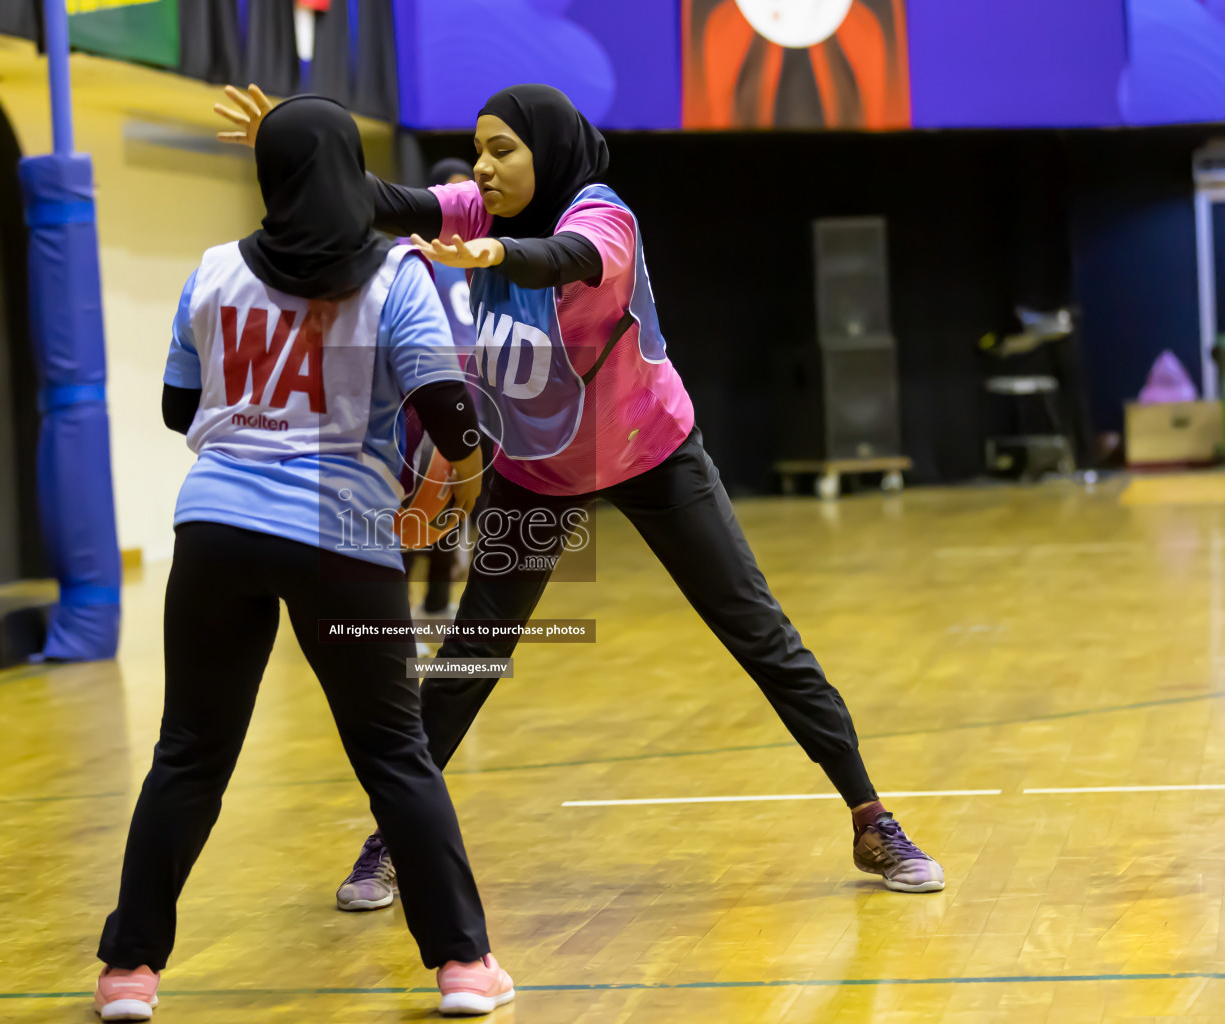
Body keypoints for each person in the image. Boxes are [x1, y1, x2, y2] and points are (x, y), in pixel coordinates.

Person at [216, 83, 945, 919]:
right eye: (478, 151)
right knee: (467, 662)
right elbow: (382, 200)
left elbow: (570, 258)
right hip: (539, 474)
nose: (483, 168)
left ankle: (872, 817)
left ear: (547, 152)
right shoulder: (474, 209)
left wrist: (495, 257)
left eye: (503, 151)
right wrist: (295, 141)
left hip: (652, 453)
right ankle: (392, 838)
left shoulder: (605, 214)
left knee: (759, 633)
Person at [94, 94, 515, 1021]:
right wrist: (454, 487)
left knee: (189, 756)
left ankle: (128, 972)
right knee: (395, 756)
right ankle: (462, 968)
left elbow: (178, 408)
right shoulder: (395, 274)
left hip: (213, 531)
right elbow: (450, 415)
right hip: (341, 535)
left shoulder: (211, 270)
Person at [404, 157, 480, 620]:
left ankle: (436, 604)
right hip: (422, 400)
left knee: (454, 506)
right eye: (454, 195)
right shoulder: (412, 250)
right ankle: (395, 611)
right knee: (412, 504)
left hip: (472, 400)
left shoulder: (486, 255)